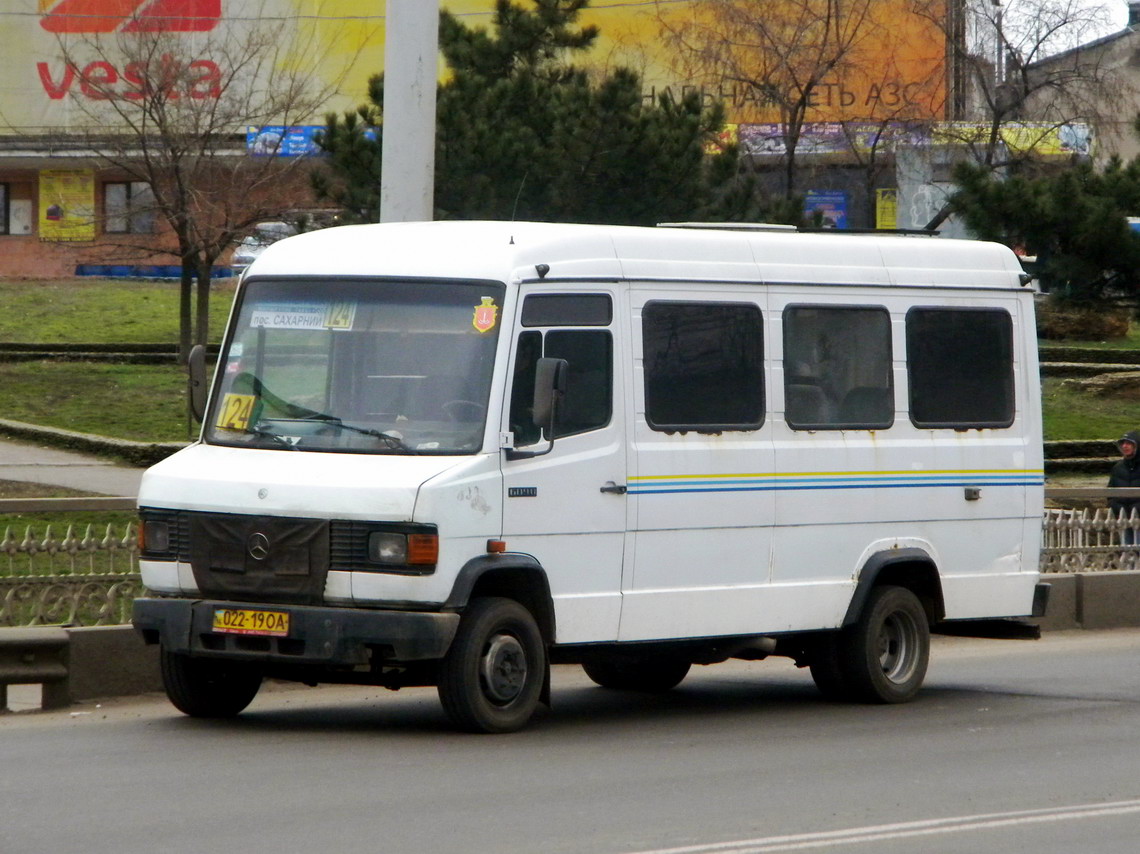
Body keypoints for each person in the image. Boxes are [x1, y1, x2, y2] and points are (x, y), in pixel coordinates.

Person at [1107, 431, 1140, 545]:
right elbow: (1110, 492)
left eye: (1129, 443)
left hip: (1139, 518)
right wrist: (1116, 507)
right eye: (1123, 443)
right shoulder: (1117, 468)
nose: (1125, 446)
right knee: (1127, 552)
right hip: (1123, 518)